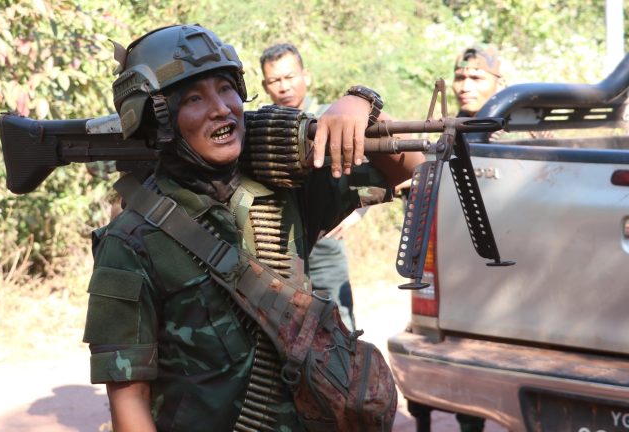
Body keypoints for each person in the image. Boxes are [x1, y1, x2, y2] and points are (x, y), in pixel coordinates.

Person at [83, 24, 423, 431]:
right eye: (194, 97)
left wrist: (362, 105)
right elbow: (129, 398)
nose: (222, 108)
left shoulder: (285, 191)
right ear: (158, 119)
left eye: (227, 88)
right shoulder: (130, 241)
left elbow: (406, 166)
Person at [260, 43, 386, 331]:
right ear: (265, 86)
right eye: (275, 80)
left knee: (339, 323)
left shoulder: (335, 117)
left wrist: (358, 212)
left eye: (290, 77)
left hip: (326, 244)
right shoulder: (261, 128)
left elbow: (370, 169)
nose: (284, 87)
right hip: (276, 246)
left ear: (307, 76)